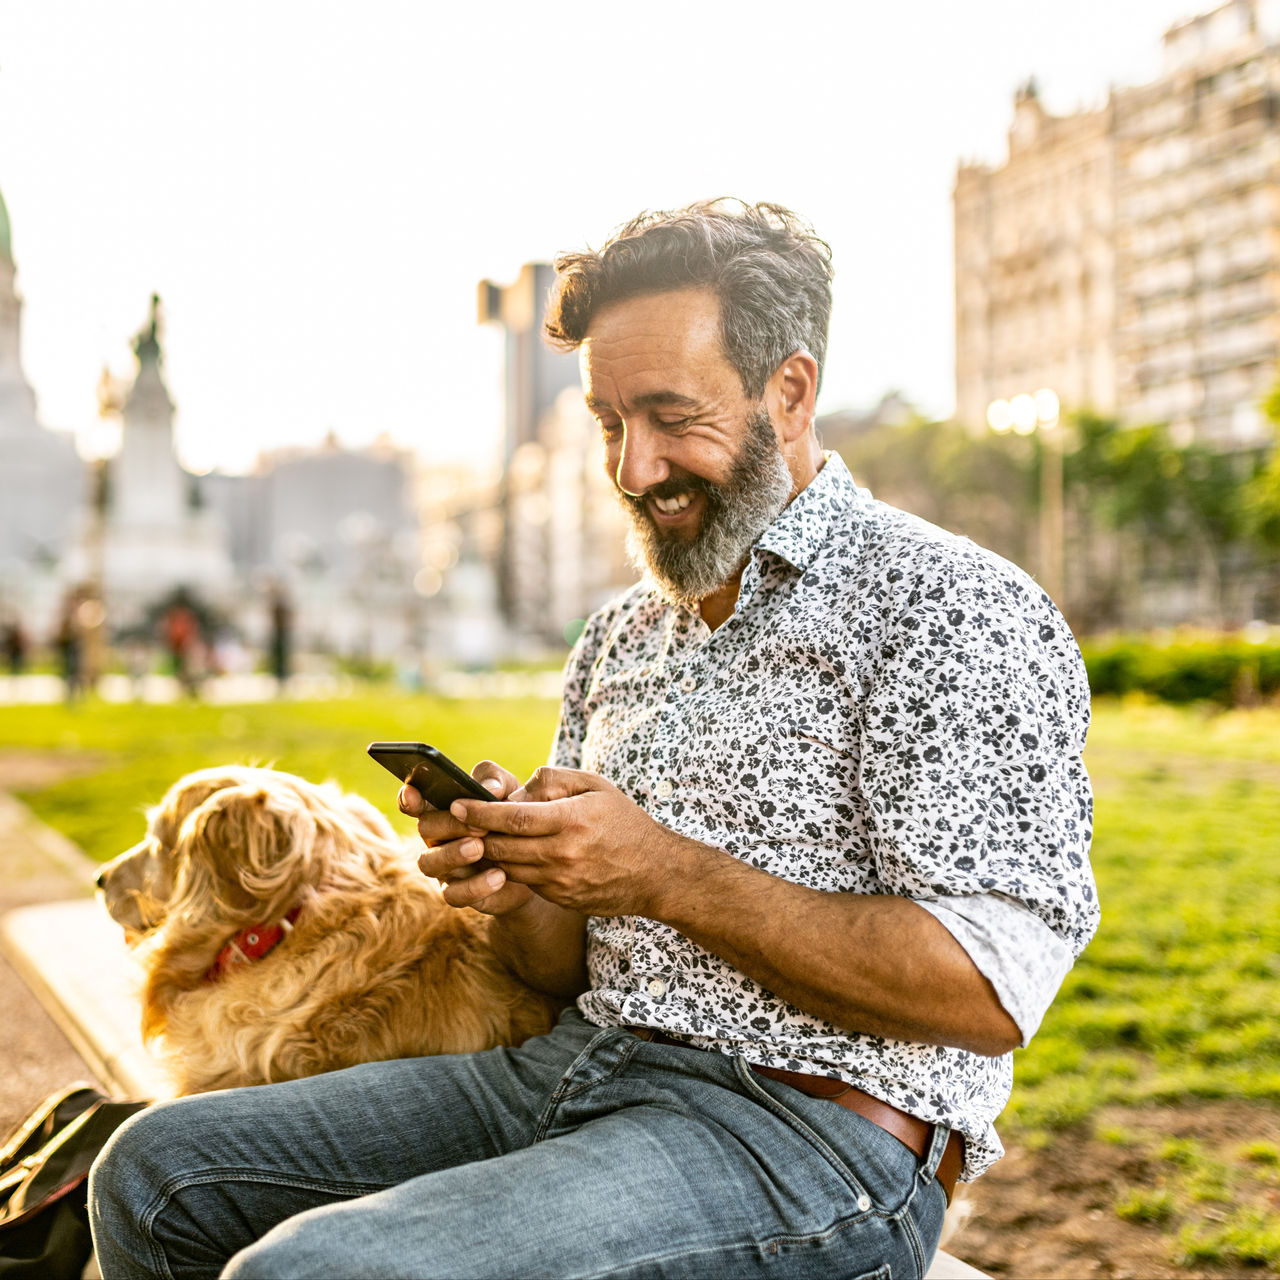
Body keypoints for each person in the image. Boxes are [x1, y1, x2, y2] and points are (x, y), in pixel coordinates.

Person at [89, 200, 1099, 1280]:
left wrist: (660, 871)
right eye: (608, 421)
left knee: (312, 1273)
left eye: (670, 414)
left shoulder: (949, 607)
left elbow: (985, 993)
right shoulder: (624, 631)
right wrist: (520, 877)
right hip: (575, 1065)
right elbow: (557, 966)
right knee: (151, 1175)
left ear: (789, 391)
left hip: (810, 1141)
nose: (631, 466)